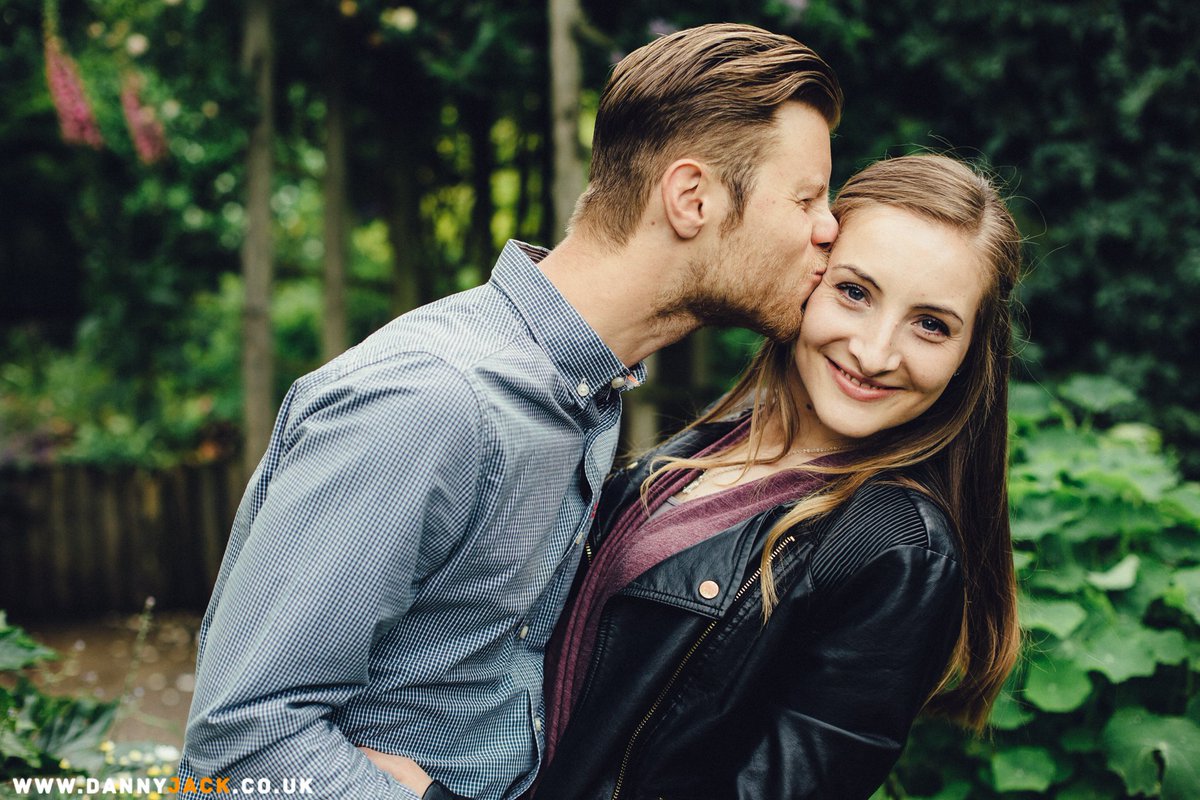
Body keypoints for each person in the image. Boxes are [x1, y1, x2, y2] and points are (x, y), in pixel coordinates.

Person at [177, 23, 843, 800]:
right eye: (806, 198)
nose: (829, 228)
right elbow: (237, 750)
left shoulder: (584, 389)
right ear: (691, 198)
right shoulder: (433, 403)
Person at [530, 153, 1024, 799]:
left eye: (931, 325)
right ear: (808, 278)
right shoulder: (703, 448)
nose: (874, 353)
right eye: (854, 292)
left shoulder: (896, 549)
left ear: (967, 356)